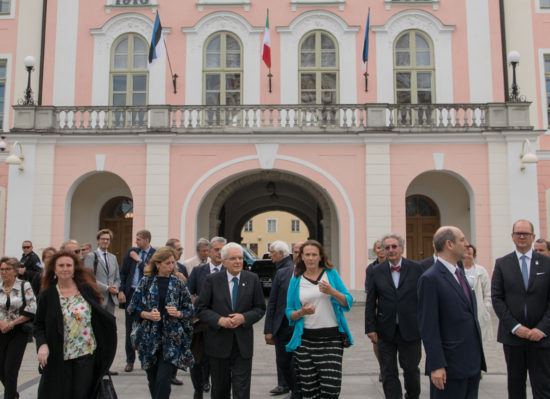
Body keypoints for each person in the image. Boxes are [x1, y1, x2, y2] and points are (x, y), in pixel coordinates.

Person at [34, 251, 116, 399]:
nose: (65, 268)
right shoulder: (47, 295)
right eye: (61, 265)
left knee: (82, 394)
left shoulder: (86, 290)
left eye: (68, 265)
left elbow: (98, 317)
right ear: (54, 269)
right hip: (59, 357)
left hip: (85, 354)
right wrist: (42, 345)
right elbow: (38, 326)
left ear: (74, 268)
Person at [418, 226, 485, 398]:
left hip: (471, 364)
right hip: (450, 367)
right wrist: (437, 365)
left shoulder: (459, 272)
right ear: (449, 244)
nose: (467, 244)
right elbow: (428, 326)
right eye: (462, 240)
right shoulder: (430, 278)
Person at [285, 239, 353, 399]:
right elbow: (289, 312)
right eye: (307, 254)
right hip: (305, 342)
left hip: (331, 340)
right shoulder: (296, 280)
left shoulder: (331, 274)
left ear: (320, 257)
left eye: (314, 255)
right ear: (301, 257)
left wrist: (332, 292)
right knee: (309, 391)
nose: (310, 258)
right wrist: (301, 312)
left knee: (331, 390)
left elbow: (348, 301)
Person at [197, 242, 266, 399]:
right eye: (233, 258)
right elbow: (201, 309)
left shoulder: (252, 279)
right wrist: (219, 320)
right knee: (220, 390)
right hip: (218, 344)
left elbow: (260, 308)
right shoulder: (212, 280)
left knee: (241, 390)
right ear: (224, 260)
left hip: (242, 345)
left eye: (240, 258)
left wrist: (244, 318)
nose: (238, 261)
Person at [491, 219, 550, 399]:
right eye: (518, 233)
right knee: (515, 386)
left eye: (526, 233)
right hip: (513, 336)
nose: (522, 237)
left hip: (541, 337)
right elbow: (497, 298)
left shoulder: (546, 263)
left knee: (543, 386)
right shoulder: (502, 263)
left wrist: (541, 328)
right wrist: (516, 327)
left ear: (533, 237)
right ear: (512, 237)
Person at [127, 246, 195, 399]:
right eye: (167, 263)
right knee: (152, 380)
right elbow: (132, 309)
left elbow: (190, 310)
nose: (171, 266)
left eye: (173, 263)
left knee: (163, 380)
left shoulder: (178, 284)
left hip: (171, 339)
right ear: (157, 264)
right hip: (148, 339)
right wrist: (147, 314)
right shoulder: (146, 282)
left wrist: (178, 313)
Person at [365, 234, 424, 399]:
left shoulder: (416, 268)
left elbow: (424, 298)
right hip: (385, 329)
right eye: (387, 247)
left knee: (411, 368)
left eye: (394, 246)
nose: (391, 250)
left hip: (411, 328)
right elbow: (370, 301)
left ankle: (412, 396)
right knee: (388, 370)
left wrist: (424, 323)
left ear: (401, 248)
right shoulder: (376, 271)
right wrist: (370, 327)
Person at [187, 236, 226, 398]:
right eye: (216, 249)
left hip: (221, 325)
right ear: (209, 252)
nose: (219, 253)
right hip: (200, 326)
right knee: (197, 360)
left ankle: (210, 384)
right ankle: (198, 388)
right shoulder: (198, 271)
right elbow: (188, 295)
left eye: (222, 250)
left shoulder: (229, 272)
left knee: (216, 362)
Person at [119, 229, 156, 373]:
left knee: (146, 327)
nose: (136, 242)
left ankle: (145, 358)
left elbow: (150, 271)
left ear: (147, 240)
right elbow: (123, 273)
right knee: (130, 327)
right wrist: (121, 290)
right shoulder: (131, 252)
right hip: (131, 293)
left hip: (146, 296)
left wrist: (139, 260)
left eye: (139, 239)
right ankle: (130, 360)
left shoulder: (154, 254)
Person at [0, 257, 37, 399]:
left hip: (18, 332)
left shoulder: (24, 285)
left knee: (11, 369)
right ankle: (13, 394)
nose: (4, 272)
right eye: (2, 269)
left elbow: (32, 308)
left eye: (7, 269)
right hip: (1, 331)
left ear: (15, 271)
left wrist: (12, 324)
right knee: (1, 369)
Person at [265, 241, 296, 396]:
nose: (269, 255)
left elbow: (275, 302)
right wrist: (268, 329)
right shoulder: (281, 269)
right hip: (281, 324)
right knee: (282, 358)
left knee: (288, 359)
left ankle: (290, 385)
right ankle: (283, 383)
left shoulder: (288, 270)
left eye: (272, 252)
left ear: (281, 254)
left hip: (289, 323)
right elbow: (273, 302)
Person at [84, 229, 121, 315]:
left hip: (111, 300)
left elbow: (117, 278)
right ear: (98, 240)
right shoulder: (91, 256)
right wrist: (107, 288)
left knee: (109, 326)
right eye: (103, 239)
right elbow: (89, 278)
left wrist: (115, 287)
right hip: (97, 297)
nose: (105, 241)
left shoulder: (113, 258)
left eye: (107, 239)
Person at [462, 244, 493, 343]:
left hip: (479, 309)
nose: (467, 255)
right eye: (465, 253)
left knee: (478, 340)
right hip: (462, 308)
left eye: (470, 253)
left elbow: (487, 292)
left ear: (474, 256)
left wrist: (486, 307)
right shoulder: (457, 270)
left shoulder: (481, 271)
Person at [365, 240, 386, 382]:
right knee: (376, 342)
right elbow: (369, 290)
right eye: (379, 247)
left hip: (393, 311)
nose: (382, 250)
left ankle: (389, 367)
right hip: (379, 310)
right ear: (375, 250)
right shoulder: (371, 268)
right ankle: (382, 367)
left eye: (384, 247)